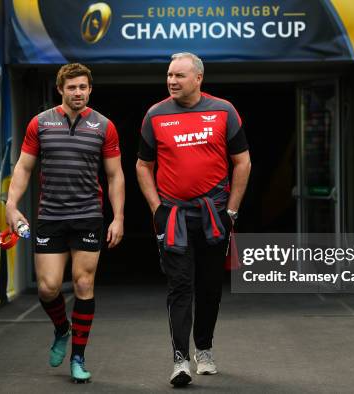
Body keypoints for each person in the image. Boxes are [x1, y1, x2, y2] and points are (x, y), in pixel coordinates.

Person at [136, 52, 251, 387]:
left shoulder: (224, 110)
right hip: (173, 216)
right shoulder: (155, 115)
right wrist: (156, 207)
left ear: (198, 78)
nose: (172, 81)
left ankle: (204, 348)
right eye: (169, 75)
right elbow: (143, 166)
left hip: (214, 215)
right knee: (180, 286)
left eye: (179, 76)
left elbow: (242, 162)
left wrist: (231, 210)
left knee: (210, 287)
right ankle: (180, 359)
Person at [5, 63, 125, 383]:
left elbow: (114, 175)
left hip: (88, 215)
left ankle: (78, 357)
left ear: (90, 90)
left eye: (83, 87)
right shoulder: (40, 124)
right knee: (48, 288)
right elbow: (24, 168)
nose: (78, 93)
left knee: (84, 284)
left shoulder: (103, 126)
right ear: (60, 89)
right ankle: (62, 329)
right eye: (72, 87)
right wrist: (12, 205)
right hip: (50, 216)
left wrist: (119, 217)